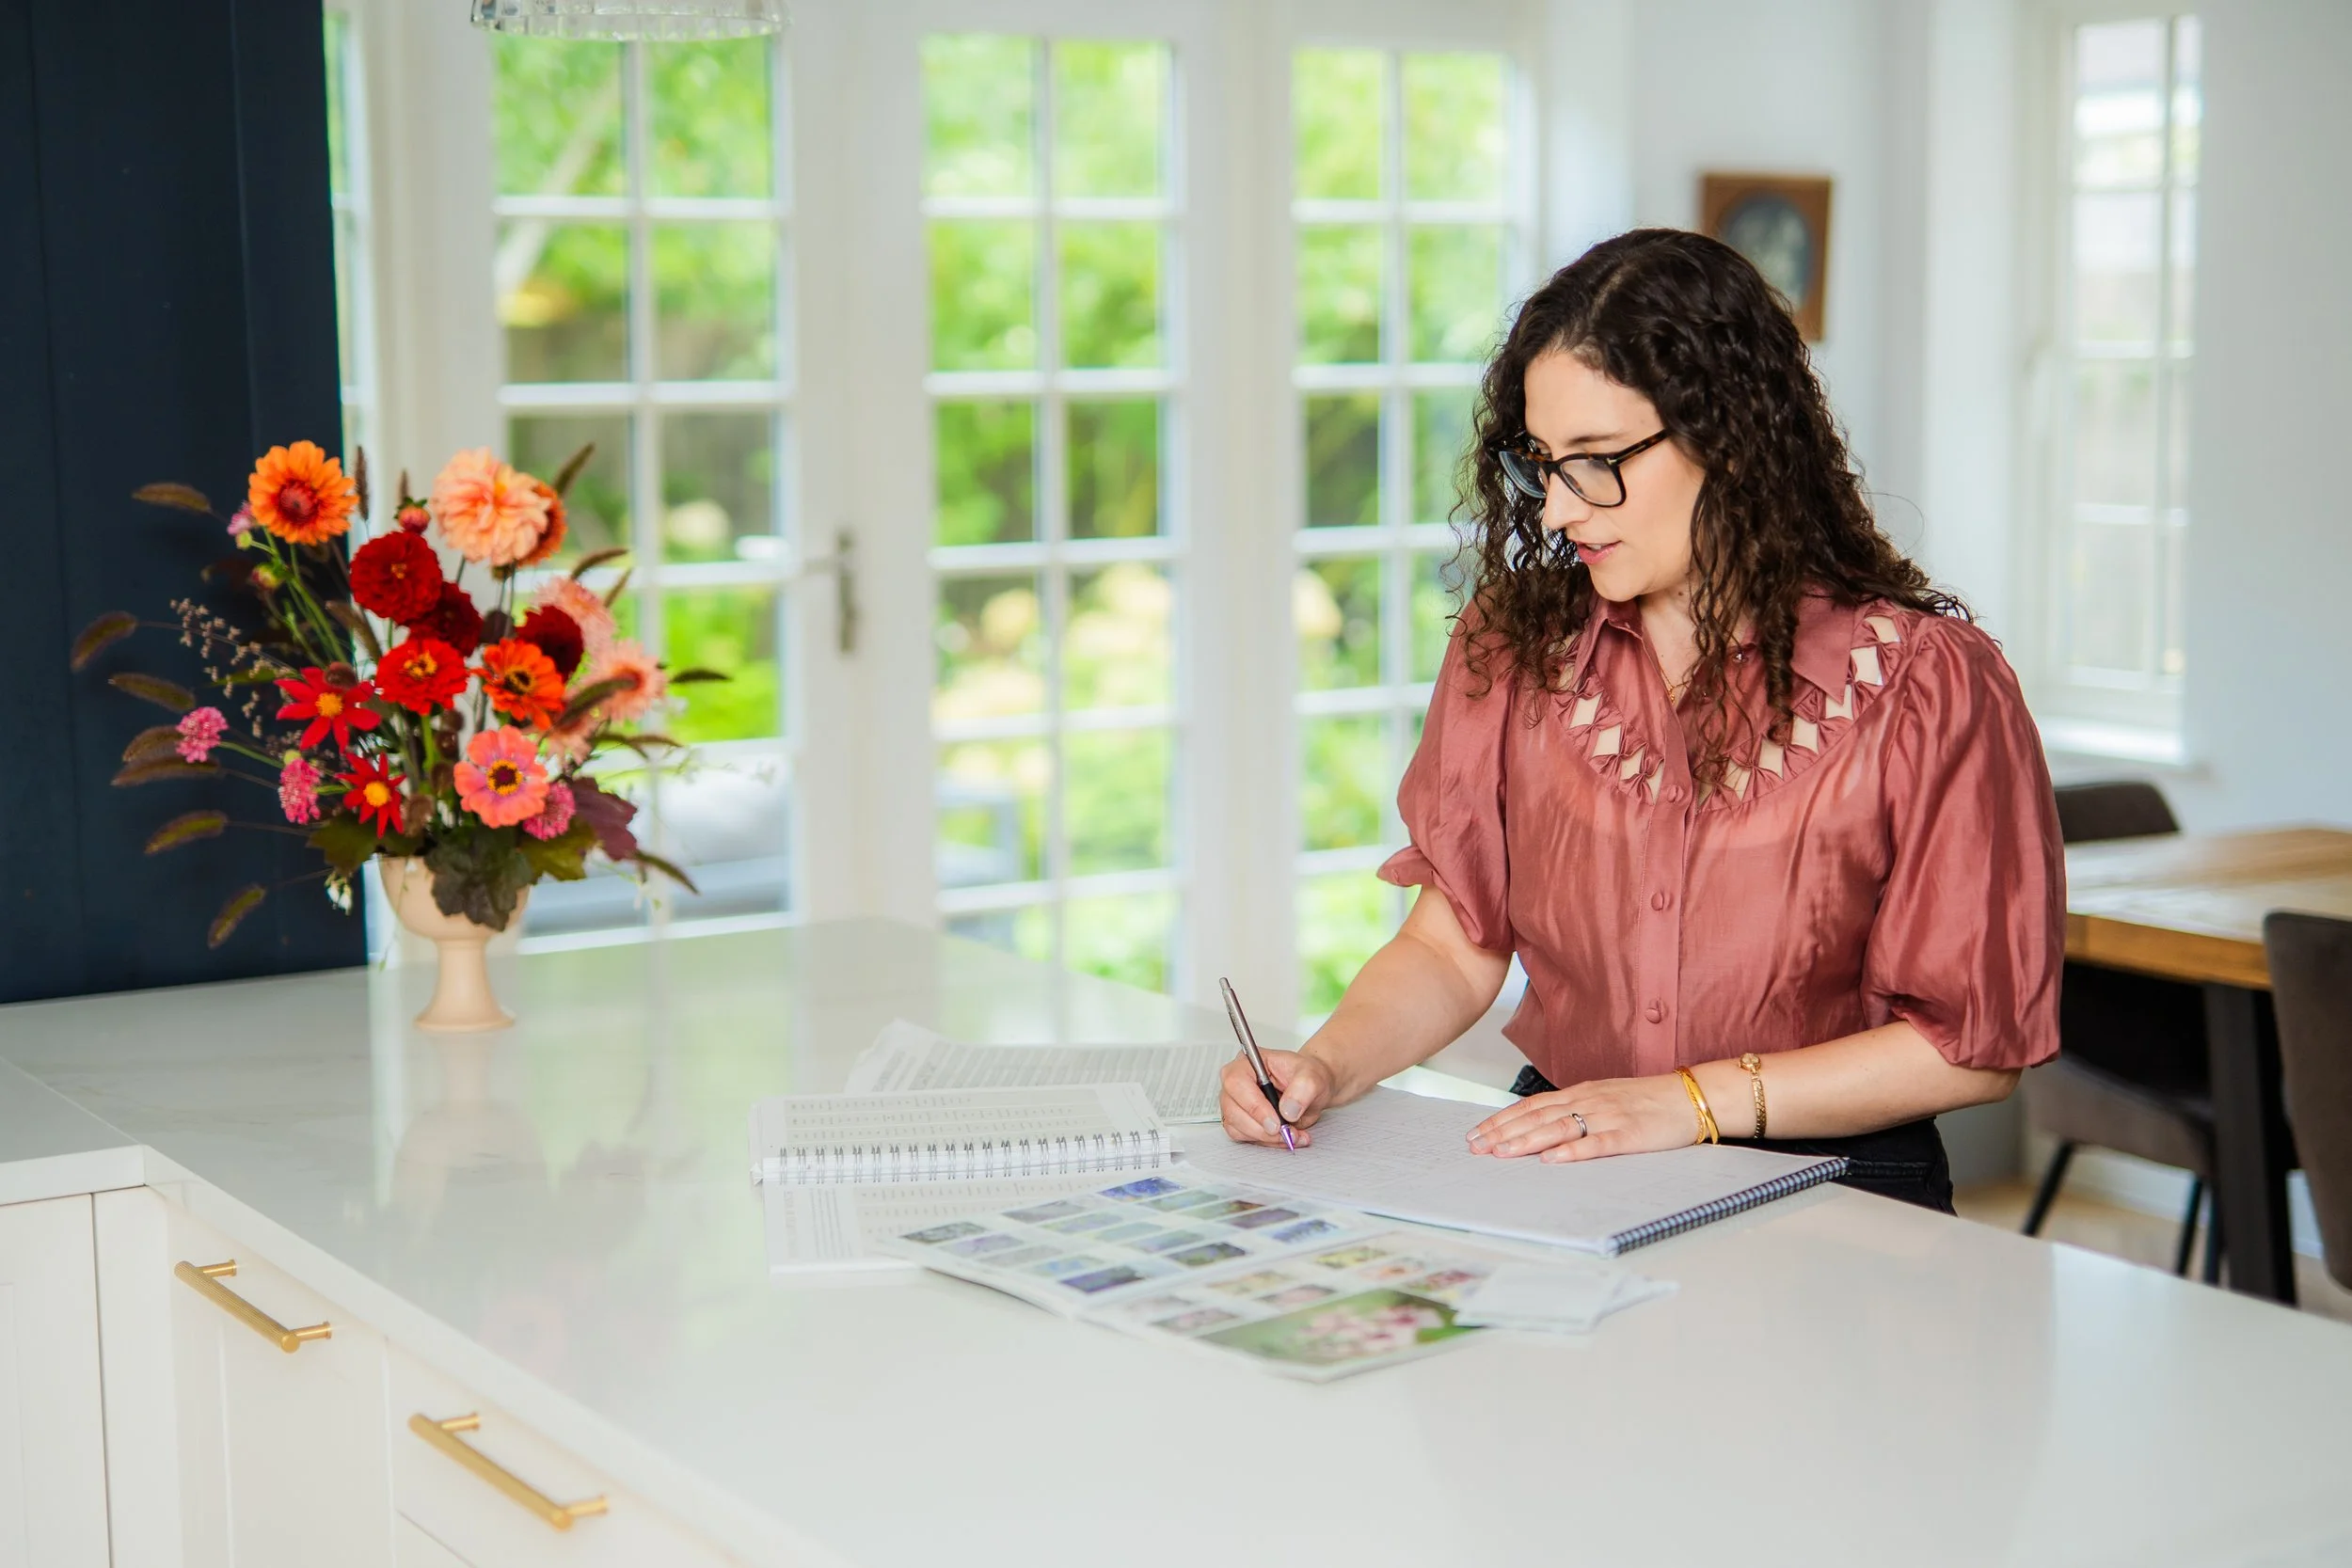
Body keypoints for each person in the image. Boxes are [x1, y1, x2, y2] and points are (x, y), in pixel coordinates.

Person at [1221, 229, 2063, 1212]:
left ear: (1730, 437)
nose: (1556, 511)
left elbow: (1973, 1046)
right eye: (1544, 463)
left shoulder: (1930, 684)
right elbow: (1451, 946)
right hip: (1572, 1153)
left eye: (1598, 459)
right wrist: (1325, 1064)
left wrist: (1689, 1103)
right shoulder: (1514, 645)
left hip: (1839, 1190)